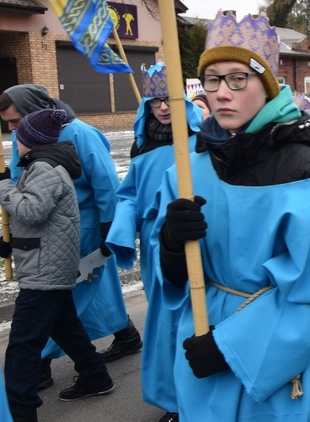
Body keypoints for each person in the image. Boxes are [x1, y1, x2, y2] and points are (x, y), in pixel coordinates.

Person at [152, 10, 310, 420]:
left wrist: (230, 346)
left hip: (269, 359)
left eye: (238, 79)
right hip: (200, 345)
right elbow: (177, 278)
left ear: (267, 86)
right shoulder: (189, 173)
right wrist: (172, 245)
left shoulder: (307, 177)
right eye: (213, 79)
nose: (222, 92)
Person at [0, 84, 141, 389]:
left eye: (15, 121)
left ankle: (40, 362)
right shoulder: (22, 135)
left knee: (62, 297)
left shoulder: (81, 133)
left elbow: (105, 183)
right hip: (40, 229)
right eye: (8, 123)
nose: (11, 129)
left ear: (34, 111)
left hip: (81, 228)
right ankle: (124, 335)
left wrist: (108, 228)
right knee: (81, 293)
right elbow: (17, 180)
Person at [1, 109, 115, 422]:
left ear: (29, 140)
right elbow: (44, 221)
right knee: (64, 325)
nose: (14, 137)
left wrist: (3, 186)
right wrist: (11, 242)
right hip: (48, 262)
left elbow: (31, 210)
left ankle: (20, 412)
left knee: (22, 346)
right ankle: (95, 375)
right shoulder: (41, 165)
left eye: (17, 132)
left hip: (44, 271)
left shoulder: (45, 168)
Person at [106, 62, 203, 422]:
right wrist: (121, 228)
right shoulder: (141, 146)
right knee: (162, 322)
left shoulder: (200, 142)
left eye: (169, 100)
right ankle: (171, 396)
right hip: (153, 245)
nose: (163, 107)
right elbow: (129, 195)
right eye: (155, 100)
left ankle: (189, 397)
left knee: (187, 319)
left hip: (189, 239)